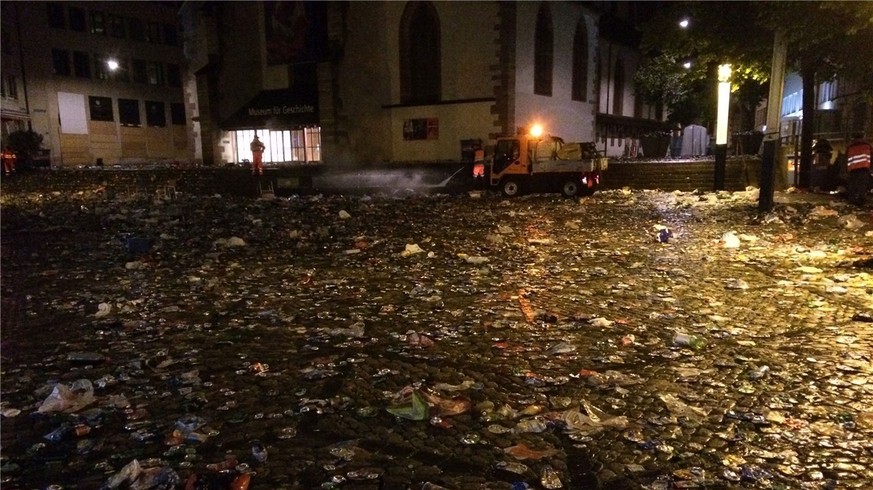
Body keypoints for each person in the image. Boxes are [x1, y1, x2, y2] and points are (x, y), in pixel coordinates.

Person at [845, 132, 872, 205]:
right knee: (862, 185)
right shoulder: (867, 145)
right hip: (864, 168)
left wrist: (846, 171)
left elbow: (846, 159)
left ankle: (852, 200)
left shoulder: (851, 146)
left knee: (853, 186)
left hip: (853, 169)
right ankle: (861, 200)